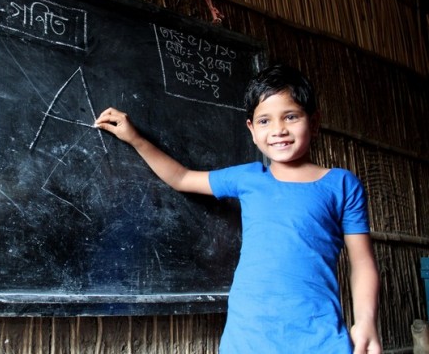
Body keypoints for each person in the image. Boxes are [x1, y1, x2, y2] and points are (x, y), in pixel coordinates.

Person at [94, 65, 381, 353]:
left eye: (291, 116)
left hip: (319, 339)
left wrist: (366, 322)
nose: (279, 129)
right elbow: (181, 177)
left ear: (314, 122)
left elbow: (363, 263)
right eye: (265, 121)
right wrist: (135, 139)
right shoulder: (248, 178)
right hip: (248, 338)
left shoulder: (341, 184)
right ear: (252, 130)